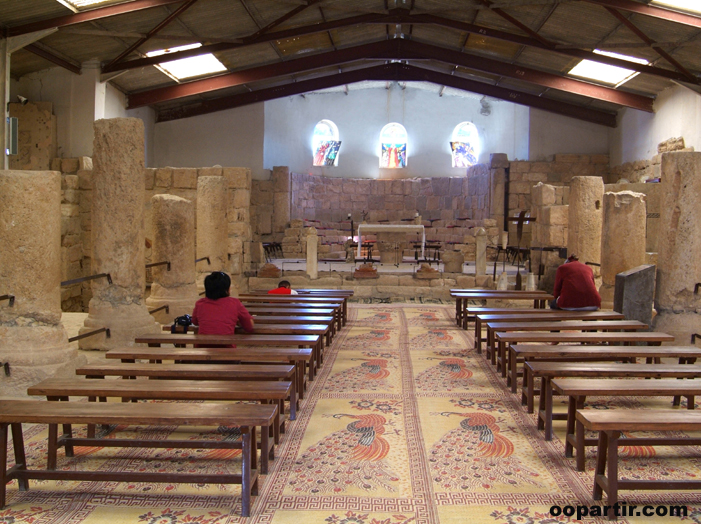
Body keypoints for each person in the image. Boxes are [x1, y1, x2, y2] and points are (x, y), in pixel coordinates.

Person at [191, 271, 254, 347]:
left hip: (202, 349)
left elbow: (195, 321)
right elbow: (249, 327)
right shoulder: (234, 303)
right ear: (227, 289)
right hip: (227, 350)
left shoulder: (200, 303)